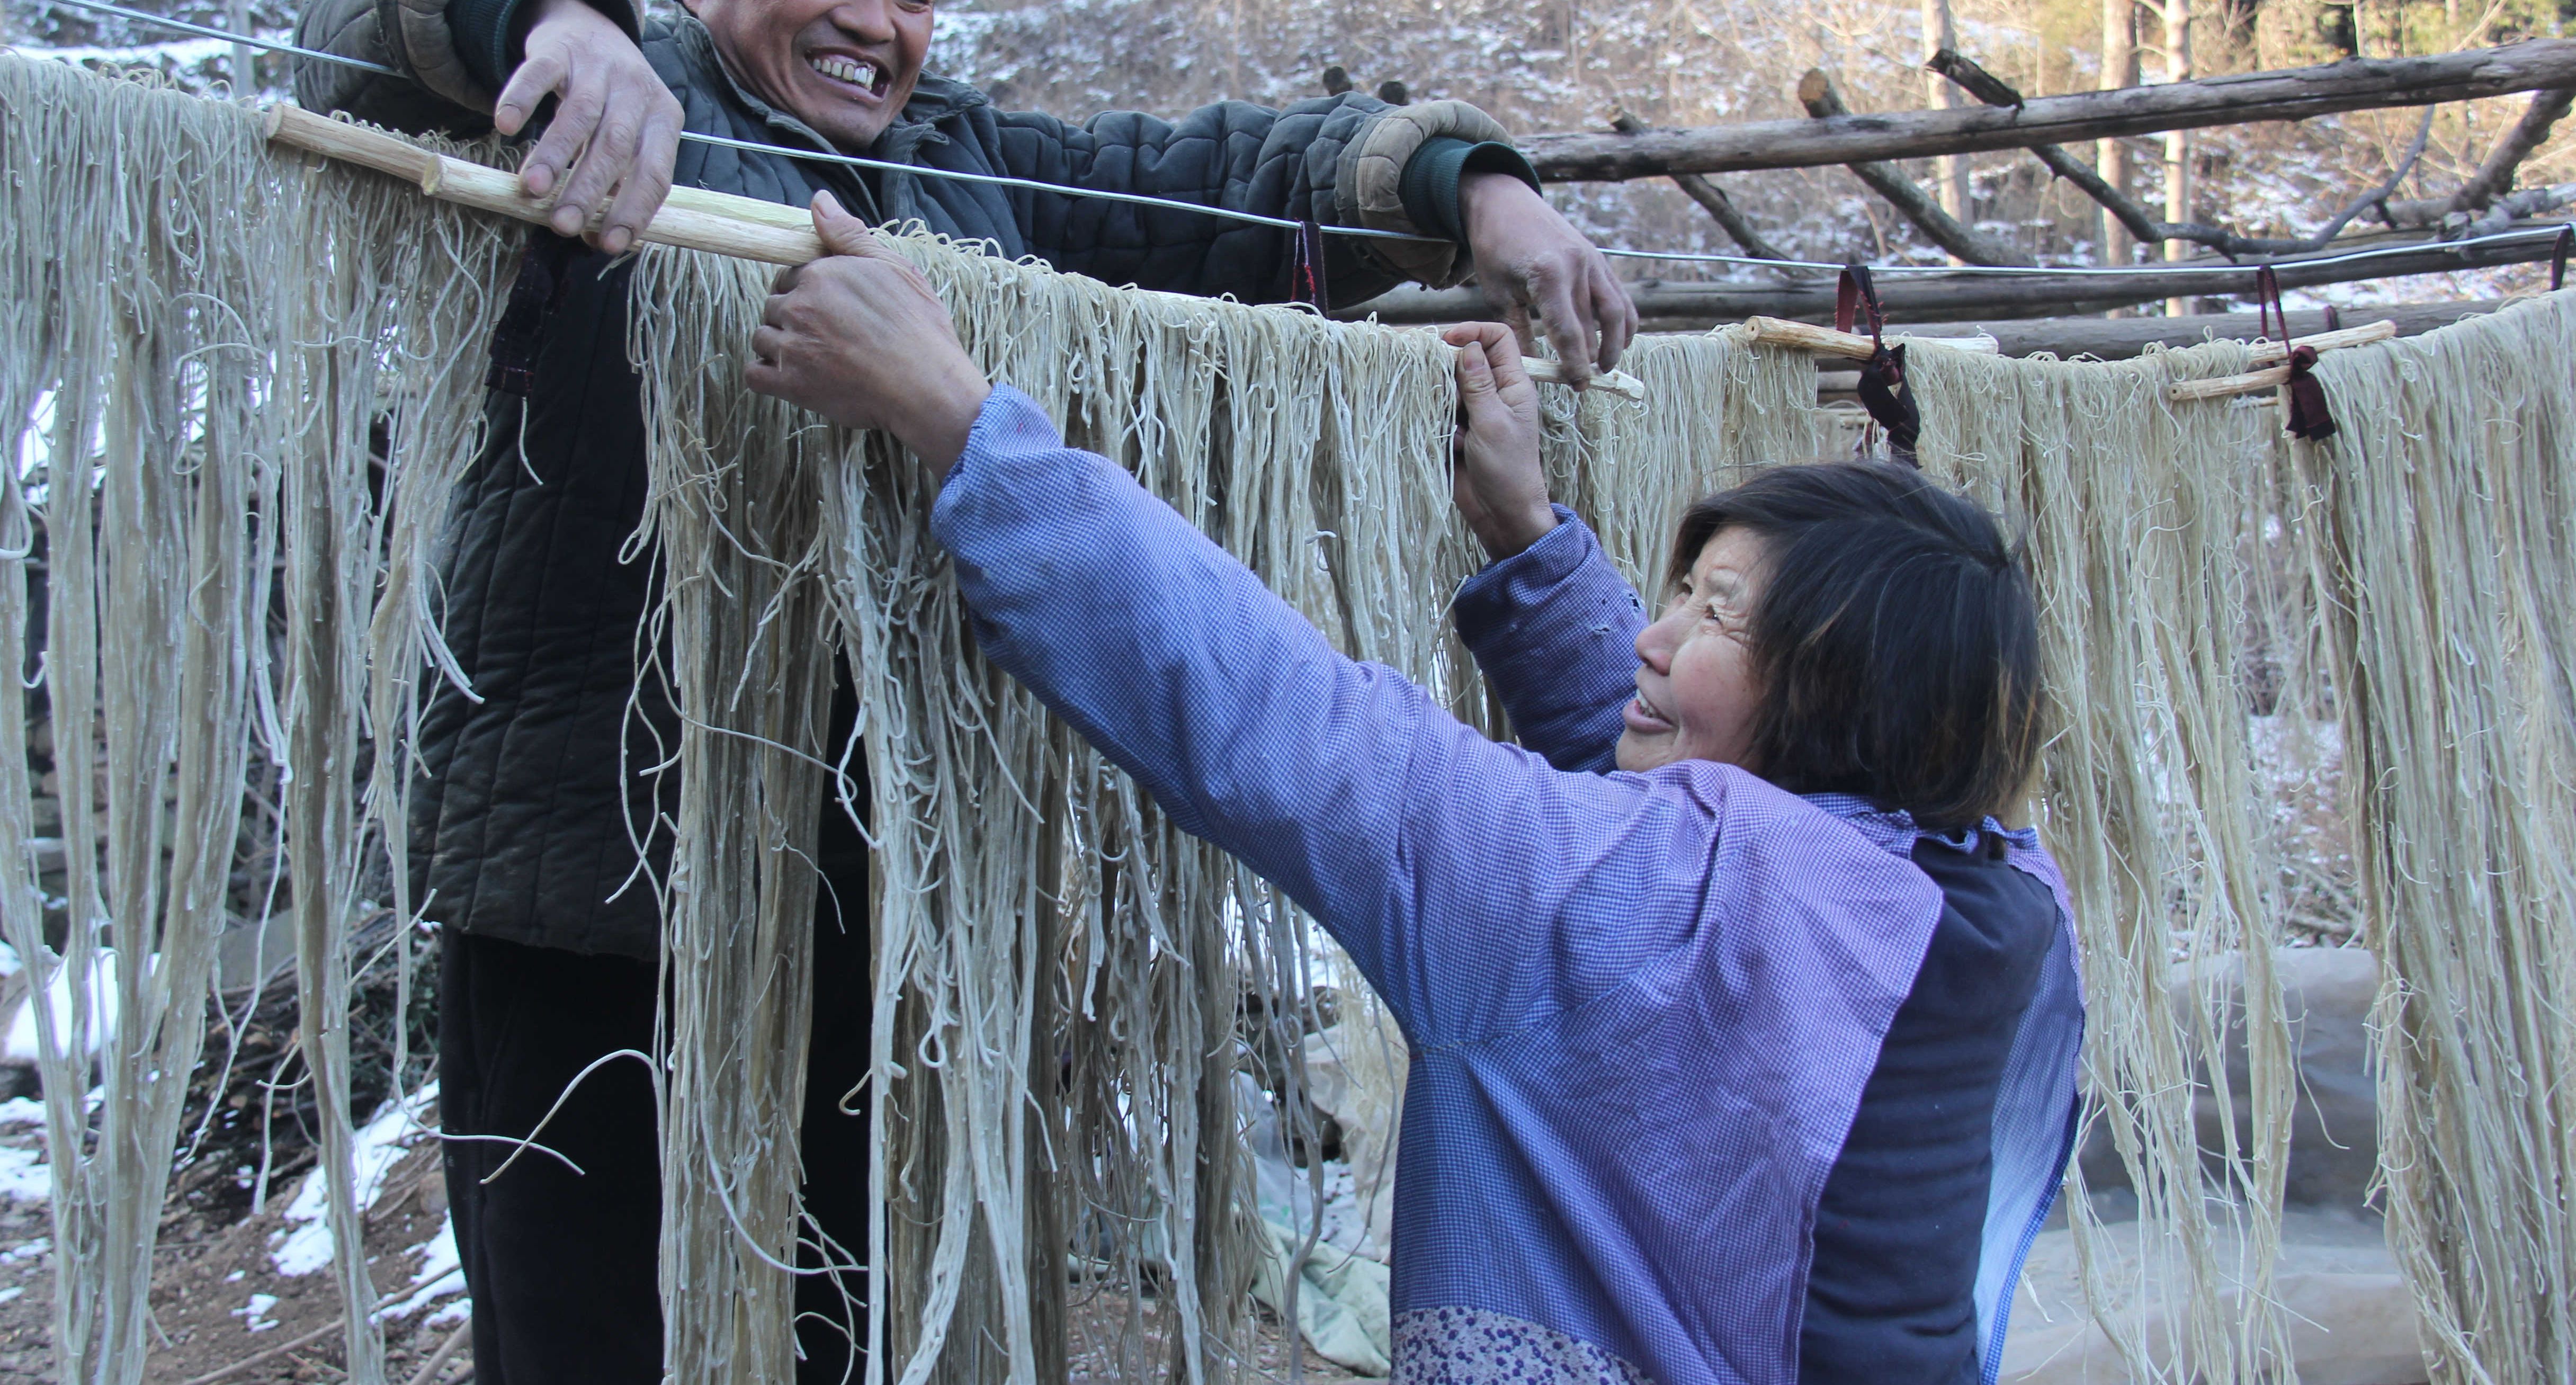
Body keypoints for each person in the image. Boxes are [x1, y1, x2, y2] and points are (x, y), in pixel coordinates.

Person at [293, 0, 1637, 1385]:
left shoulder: (968, 170)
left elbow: (1216, 179)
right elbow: (351, 26)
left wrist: (1467, 190)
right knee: (593, 1339)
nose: (877, 15)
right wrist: (551, 14)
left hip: (885, 894)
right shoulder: (597, 111)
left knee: (854, 1329)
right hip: (599, 898)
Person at [731, 204, 2089, 1385]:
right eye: (1679, 592)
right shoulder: (1977, 898)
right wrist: (1531, 538)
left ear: (1850, 692)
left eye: (1719, 613)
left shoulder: (1646, 904)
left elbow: (1286, 724)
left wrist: (959, 420)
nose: (1654, 641)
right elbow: (1643, 888)